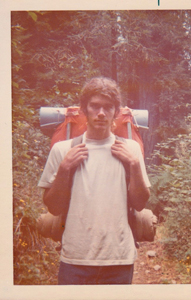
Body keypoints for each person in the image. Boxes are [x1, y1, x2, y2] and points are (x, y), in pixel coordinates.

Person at [38, 77, 151, 285]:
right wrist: (64, 169)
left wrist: (134, 165)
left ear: (116, 112)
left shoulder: (131, 150)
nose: (101, 113)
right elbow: (54, 207)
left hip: (119, 259)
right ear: (84, 109)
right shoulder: (62, 150)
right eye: (95, 106)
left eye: (108, 107)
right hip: (75, 259)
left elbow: (140, 203)